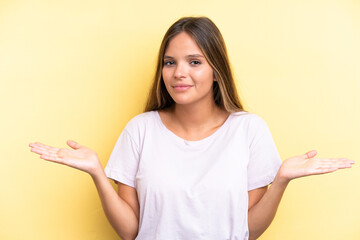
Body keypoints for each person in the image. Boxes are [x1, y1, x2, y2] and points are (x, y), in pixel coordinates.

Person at [29, 17, 355, 240]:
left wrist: (280, 181)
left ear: (216, 70)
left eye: (194, 62)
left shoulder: (249, 130)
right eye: (170, 62)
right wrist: (98, 174)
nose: (178, 73)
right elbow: (130, 231)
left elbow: (247, 231)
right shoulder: (140, 130)